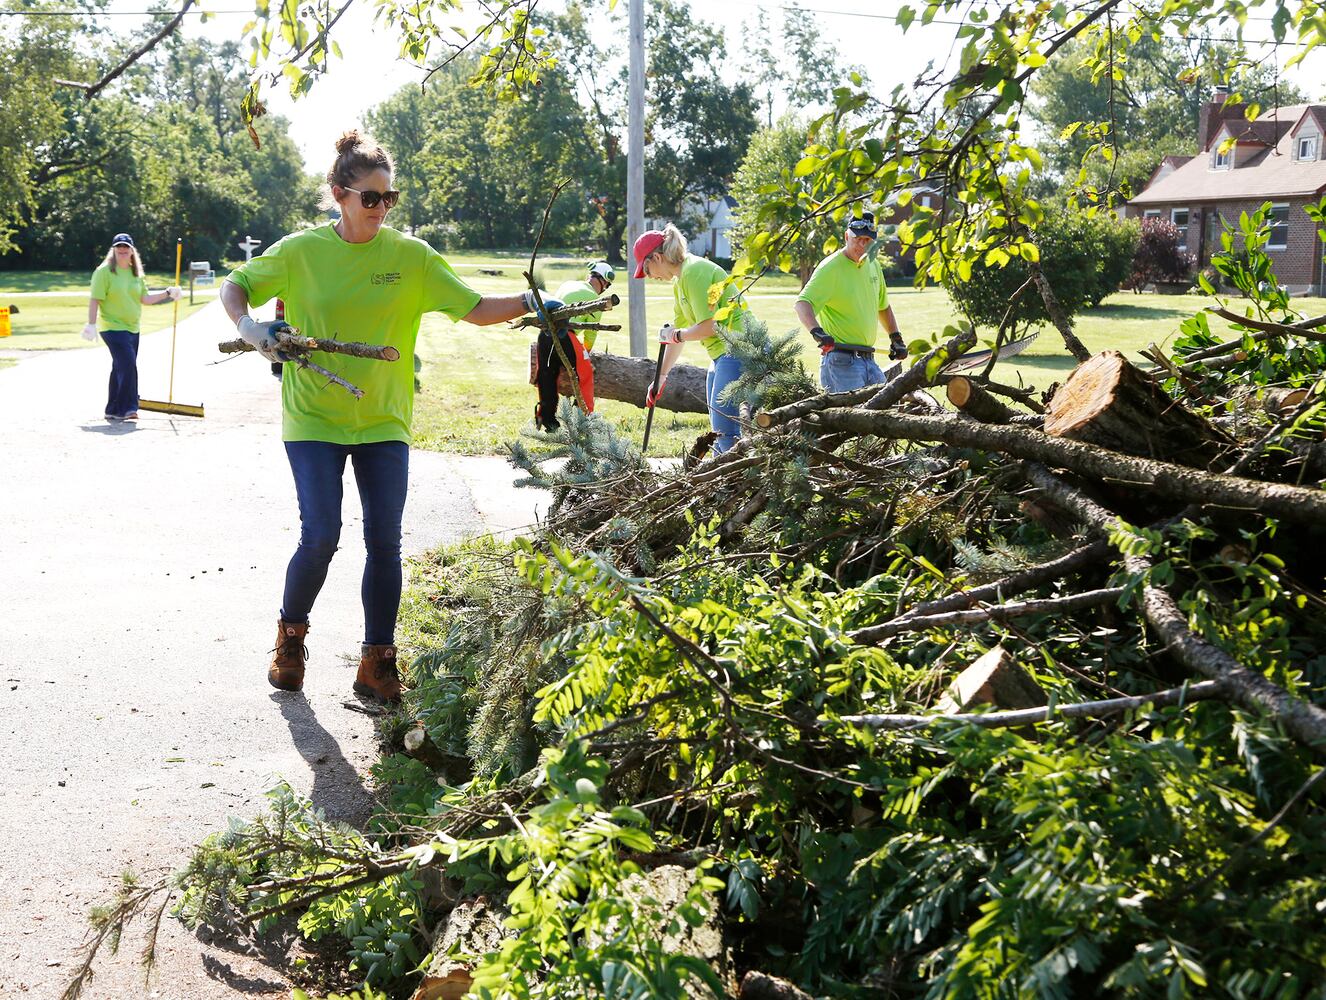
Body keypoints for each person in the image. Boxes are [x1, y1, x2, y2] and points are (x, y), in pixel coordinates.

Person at [220, 129, 549, 703]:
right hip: (314, 417)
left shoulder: (410, 257)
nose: (380, 208)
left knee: (385, 543)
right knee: (320, 536)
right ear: (338, 193)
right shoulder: (300, 251)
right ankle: (290, 638)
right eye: (370, 197)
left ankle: (377, 662)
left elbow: (474, 309)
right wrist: (249, 328)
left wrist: (535, 302)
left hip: (384, 421)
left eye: (388, 198)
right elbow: (237, 286)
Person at [633, 225, 750, 455]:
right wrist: (660, 378)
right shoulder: (680, 281)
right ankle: (724, 485)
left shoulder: (694, 272)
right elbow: (678, 332)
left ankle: (728, 487)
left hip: (739, 349)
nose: (651, 277)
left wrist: (677, 334)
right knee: (720, 431)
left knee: (725, 433)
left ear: (657, 257)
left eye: (647, 270)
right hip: (721, 355)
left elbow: (710, 326)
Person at [794, 211, 908, 393]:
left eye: (868, 240)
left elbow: (883, 306)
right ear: (847, 236)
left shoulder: (873, 264)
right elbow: (802, 304)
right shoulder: (830, 268)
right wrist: (818, 333)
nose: (862, 245)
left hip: (869, 359)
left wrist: (896, 338)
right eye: (858, 239)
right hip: (841, 362)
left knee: (882, 411)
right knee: (850, 418)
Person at [81, 233, 182, 421]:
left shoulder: (136, 273)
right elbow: (95, 299)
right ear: (113, 249)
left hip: (133, 329)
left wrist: (168, 292)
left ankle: (112, 409)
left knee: (120, 366)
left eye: (125, 247)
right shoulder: (103, 272)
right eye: (118, 246)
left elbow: (145, 299)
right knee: (128, 365)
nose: (122, 250)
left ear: (131, 250)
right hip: (111, 327)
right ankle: (129, 408)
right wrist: (91, 324)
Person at [553, 260, 614, 351]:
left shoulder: (568, 284)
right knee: (584, 365)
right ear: (604, 281)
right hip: (565, 339)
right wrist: (585, 354)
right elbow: (590, 334)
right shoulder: (596, 300)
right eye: (607, 286)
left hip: (544, 335)